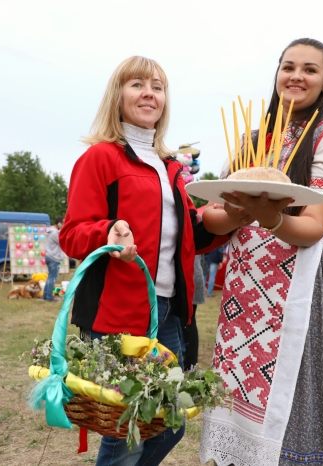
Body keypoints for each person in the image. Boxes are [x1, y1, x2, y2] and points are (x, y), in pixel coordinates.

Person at [58, 56, 229, 466]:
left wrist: (233, 216)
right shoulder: (101, 158)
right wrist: (109, 232)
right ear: (117, 96)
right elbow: (71, 234)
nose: (149, 92)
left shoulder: (171, 168)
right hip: (118, 316)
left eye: (157, 86)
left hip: (168, 315)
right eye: (136, 84)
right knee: (126, 433)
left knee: (170, 422)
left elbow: (188, 236)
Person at [199, 38, 323, 466]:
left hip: (301, 280)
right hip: (247, 287)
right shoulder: (253, 139)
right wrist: (239, 214)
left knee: (296, 384)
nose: (296, 76)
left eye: (310, 69)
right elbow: (212, 218)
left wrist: (266, 217)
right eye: (288, 67)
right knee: (240, 382)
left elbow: (313, 226)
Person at [184, 254, 206, 369]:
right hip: (194, 275)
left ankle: (190, 361)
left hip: (189, 277)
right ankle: (190, 361)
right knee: (190, 321)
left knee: (189, 321)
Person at [43, 216, 64, 303]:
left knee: (50, 277)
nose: (64, 225)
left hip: (49, 256)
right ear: (59, 223)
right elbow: (62, 242)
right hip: (53, 257)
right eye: (63, 223)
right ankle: (49, 296)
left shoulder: (51, 231)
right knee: (53, 278)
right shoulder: (55, 233)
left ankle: (45, 295)